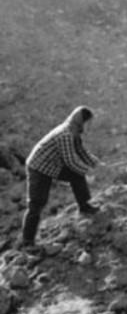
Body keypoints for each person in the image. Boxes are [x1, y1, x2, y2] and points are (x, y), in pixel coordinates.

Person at [21, 106, 100, 247]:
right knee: (37, 203)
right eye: (88, 122)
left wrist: (96, 163)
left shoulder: (74, 131)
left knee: (77, 175)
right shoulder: (65, 134)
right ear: (81, 121)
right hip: (38, 168)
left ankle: (84, 206)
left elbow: (81, 151)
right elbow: (70, 161)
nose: (90, 126)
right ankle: (27, 242)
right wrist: (87, 172)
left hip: (53, 165)